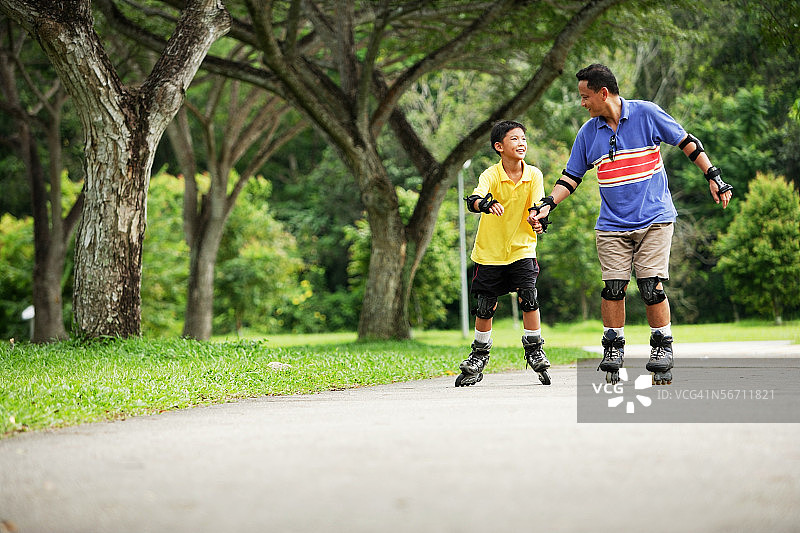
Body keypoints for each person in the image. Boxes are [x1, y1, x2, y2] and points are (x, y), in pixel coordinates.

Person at [531, 63, 733, 385]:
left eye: (585, 97)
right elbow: (571, 177)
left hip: (655, 217)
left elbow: (687, 142)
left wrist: (714, 177)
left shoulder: (646, 114)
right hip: (611, 224)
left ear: (603, 93)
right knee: (613, 288)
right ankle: (613, 347)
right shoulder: (588, 133)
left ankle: (662, 346)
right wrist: (546, 205)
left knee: (650, 285)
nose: (582, 103)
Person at [455, 120, 551, 387]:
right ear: (499, 147)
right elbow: (474, 199)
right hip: (489, 252)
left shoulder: (534, 174)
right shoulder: (491, 175)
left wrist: (537, 220)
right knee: (485, 306)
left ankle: (534, 348)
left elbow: (538, 207)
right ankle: (479, 355)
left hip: (522, 248)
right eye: (514, 139)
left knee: (528, 297)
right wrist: (486, 203)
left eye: (523, 139)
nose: (521, 143)